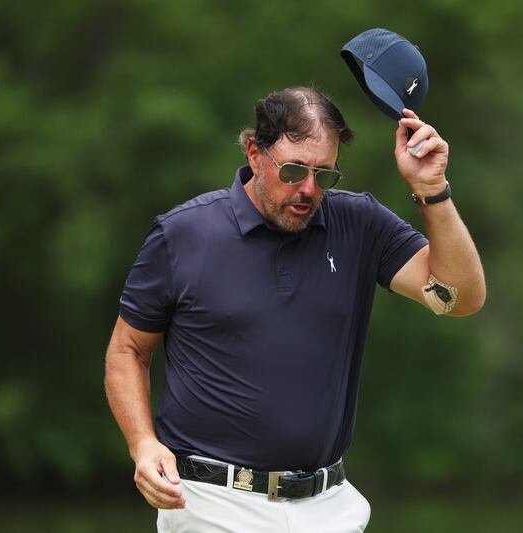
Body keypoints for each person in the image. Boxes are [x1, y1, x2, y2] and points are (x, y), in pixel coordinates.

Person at [104, 86, 485, 532]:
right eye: (292, 170)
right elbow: (128, 350)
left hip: (329, 508)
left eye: (324, 175)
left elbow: (461, 297)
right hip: (212, 504)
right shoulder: (183, 235)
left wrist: (432, 190)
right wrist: (142, 443)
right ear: (254, 152)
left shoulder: (358, 224)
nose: (307, 189)